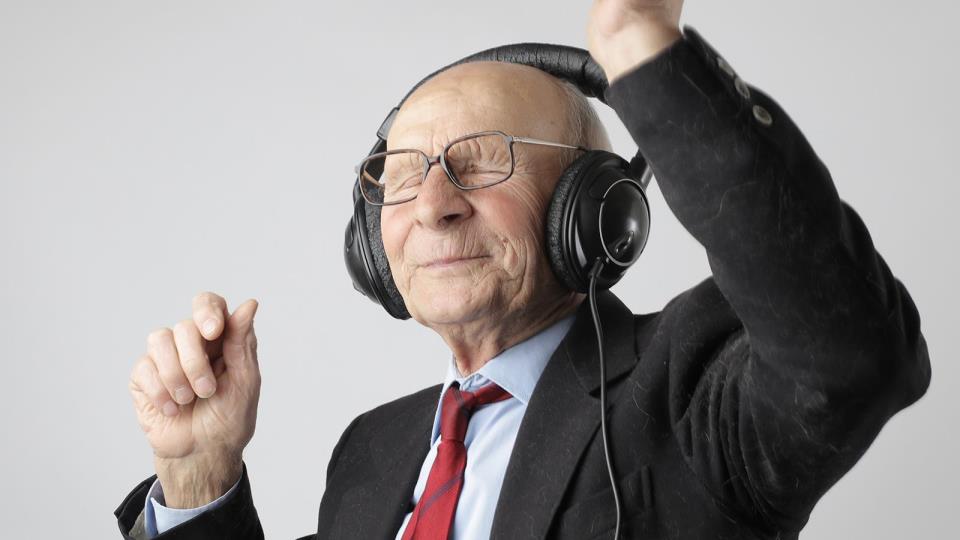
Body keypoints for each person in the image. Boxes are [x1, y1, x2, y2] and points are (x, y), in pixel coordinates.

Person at [114, 1, 931, 538]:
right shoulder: (371, 450)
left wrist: (641, 49)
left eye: (482, 161)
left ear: (596, 211)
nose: (433, 205)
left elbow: (848, 354)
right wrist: (198, 476)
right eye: (404, 172)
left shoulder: (690, 384)